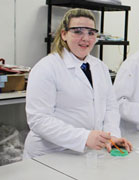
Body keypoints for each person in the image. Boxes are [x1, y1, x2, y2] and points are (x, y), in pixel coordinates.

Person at [24, 8, 132, 158]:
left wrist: (111, 136)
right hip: (50, 153)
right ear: (64, 34)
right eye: (78, 31)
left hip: (86, 153)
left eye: (91, 33)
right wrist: (84, 137)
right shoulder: (46, 68)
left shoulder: (99, 66)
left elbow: (110, 107)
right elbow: (39, 119)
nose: (86, 38)